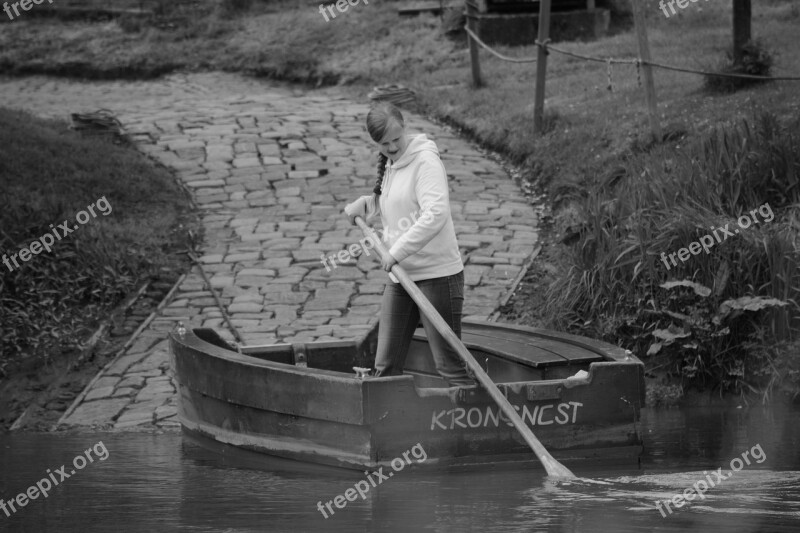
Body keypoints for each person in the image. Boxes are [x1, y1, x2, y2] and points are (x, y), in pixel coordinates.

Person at [344, 102, 476, 387]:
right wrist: (367, 205)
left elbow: (435, 214)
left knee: (449, 367)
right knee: (385, 366)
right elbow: (398, 202)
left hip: (437, 276)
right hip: (401, 277)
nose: (392, 148)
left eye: (396, 140)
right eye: (384, 143)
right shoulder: (392, 163)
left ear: (405, 128)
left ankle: (471, 427)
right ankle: (386, 429)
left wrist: (396, 252)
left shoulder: (425, 161)